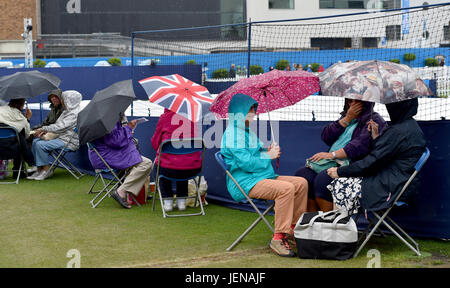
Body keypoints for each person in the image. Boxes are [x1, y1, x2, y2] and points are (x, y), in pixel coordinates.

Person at [221, 93, 308, 257]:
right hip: (244, 183)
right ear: (239, 112)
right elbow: (246, 162)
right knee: (286, 189)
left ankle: (292, 230)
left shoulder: (245, 131)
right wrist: (269, 156)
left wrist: (267, 150)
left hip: (261, 177)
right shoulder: (232, 134)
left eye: (254, 109)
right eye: (250, 110)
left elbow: (255, 152)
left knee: (301, 183)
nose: (254, 113)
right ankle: (278, 237)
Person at [326, 98, 425, 215]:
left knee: (340, 185)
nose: (389, 107)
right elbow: (384, 154)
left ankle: (340, 229)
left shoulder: (398, 131)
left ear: (399, 106)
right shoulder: (410, 126)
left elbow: (372, 162)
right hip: (400, 183)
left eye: (392, 104)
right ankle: (337, 225)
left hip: (391, 188)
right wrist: (376, 137)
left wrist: (340, 171)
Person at [295, 99, 386, 212]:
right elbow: (326, 137)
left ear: (366, 102)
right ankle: (313, 220)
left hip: (353, 166)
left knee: (323, 179)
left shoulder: (375, 120)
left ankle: (328, 221)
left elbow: (358, 147)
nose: (352, 104)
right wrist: (347, 119)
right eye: (349, 101)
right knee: (303, 175)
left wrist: (331, 155)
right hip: (332, 163)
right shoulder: (347, 116)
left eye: (356, 101)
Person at [88, 119, 153, 209]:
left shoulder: (102, 118)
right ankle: (121, 191)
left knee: (140, 158)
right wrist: (129, 128)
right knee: (146, 163)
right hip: (107, 156)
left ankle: (126, 191)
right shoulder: (109, 119)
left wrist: (125, 127)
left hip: (102, 155)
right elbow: (115, 141)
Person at [151, 109, 202, 212]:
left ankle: (167, 202)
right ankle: (181, 201)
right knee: (183, 162)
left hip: (168, 169)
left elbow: (154, 144)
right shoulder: (193, 118)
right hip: (192, 169)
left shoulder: (164, 118)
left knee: (161, 165)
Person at [27, 90, 82, 181]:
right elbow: (57, 126)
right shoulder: (66, 112)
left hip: (69, 142)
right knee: (35, 141)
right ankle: (39, 169)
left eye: (63, 100)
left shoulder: (73, 114)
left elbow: (60, 127)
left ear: (69, 101)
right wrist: (44, 131)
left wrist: (43, 129)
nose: (62, 102)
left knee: (40, 145)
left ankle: (47, 170)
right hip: (61, 138)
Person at [27, 89, 64, 173]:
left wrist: (42, 130)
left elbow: (58, 127)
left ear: (61, 98)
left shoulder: (64, 110)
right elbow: (45, 123)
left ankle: (43, 169)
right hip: (50, 132)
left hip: (59, 135)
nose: (53, 99)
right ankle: (37, 166)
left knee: (37, 142)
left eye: (56, 97)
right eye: (51, 97)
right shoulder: (53, 109)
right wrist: (34, 129)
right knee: (31, 138)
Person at [0, 98, 35, 178]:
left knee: (18, 139)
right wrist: (28, 119)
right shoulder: (21, 117)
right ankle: (19, 172)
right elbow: (27, 135)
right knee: (20, 140)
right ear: (21, 106)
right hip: (12, 149)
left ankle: (20, 171)